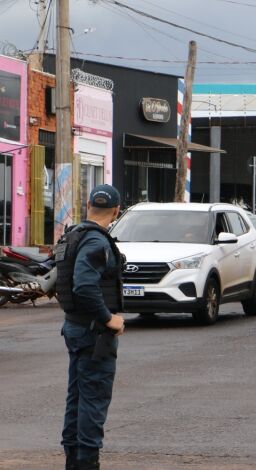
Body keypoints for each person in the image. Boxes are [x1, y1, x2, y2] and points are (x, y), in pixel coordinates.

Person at [55, 184, 126, 470]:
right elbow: (84, 285)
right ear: (116, 211)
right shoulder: (96, 242)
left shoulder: (73, 236)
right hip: (93, 332)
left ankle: (73, 461)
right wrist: (109, 319)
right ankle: (86, 463)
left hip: (74, 327)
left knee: (78, 399)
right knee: (93, 402)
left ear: (88, 206)